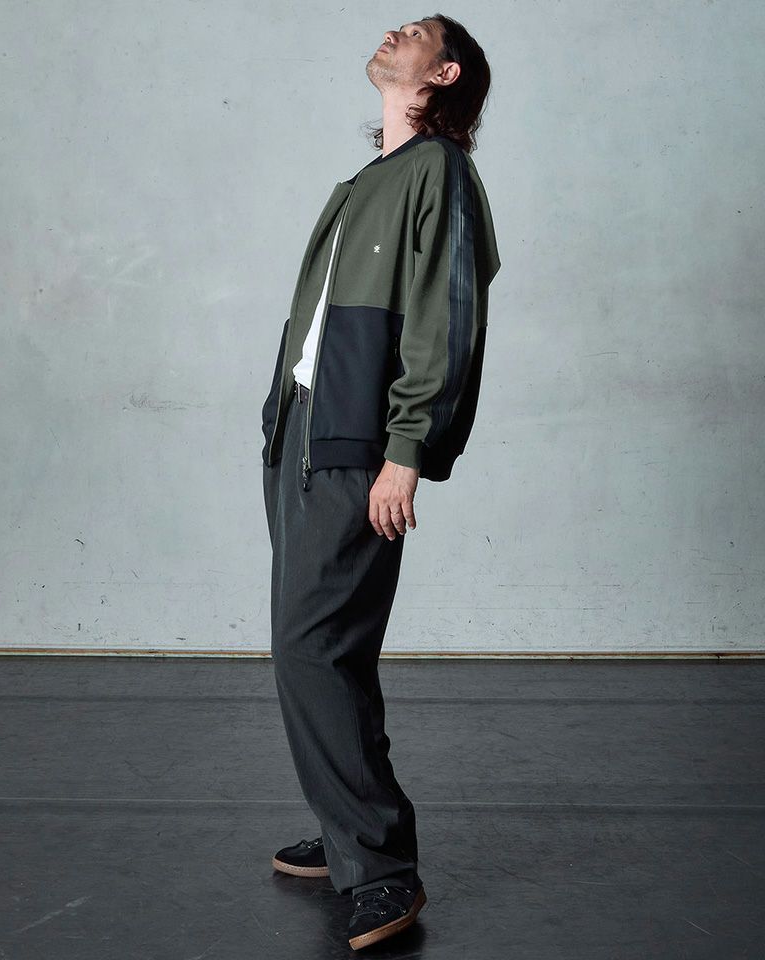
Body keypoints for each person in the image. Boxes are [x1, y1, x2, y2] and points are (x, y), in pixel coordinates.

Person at [260, 13, 501, 950]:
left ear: (443, 73)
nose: (396, 28)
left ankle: (382, 871)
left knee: (311, 646)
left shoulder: (439, 173)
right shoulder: (373, 177)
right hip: (306, 431)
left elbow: (447, 317)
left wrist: (407, 450)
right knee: (335, 648)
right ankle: (349, 830)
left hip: (360, 441)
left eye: (419, 30)